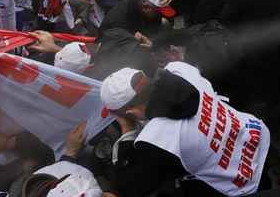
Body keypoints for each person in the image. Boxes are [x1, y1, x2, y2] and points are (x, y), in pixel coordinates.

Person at [101, 63, 271, 197]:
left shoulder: (157, 138)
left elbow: (131, 187)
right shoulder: (179, 69)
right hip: (255, 135)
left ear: (130, 112)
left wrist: (126, 129)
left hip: (245, 178)